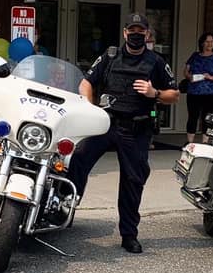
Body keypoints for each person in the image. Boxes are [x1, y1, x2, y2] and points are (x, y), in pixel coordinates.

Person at [66, 13, 178, 254]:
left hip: (136, 129)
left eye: (141, 31)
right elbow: (86, 83)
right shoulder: (110, 56)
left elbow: (174, 94)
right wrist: (89, 109)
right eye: (132, 30)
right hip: (106, 124)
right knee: (78, 160)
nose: (136, 35)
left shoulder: (156, 61)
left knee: (132, 181)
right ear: (125, 32)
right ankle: (63, 210)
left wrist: (154, 93)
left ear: (147, 34)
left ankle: (129, 234)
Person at [183, 33, 213, 142]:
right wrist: (190, 77)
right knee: (192, 117)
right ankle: (189, 142)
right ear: (202, 43)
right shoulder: (195, 56)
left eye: (212, 41)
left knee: (208, 118)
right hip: (194, 92)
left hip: (211, 93)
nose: (210, 44)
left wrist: (210, 77)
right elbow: (186, 72)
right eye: (207, 41)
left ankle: (205, 142)